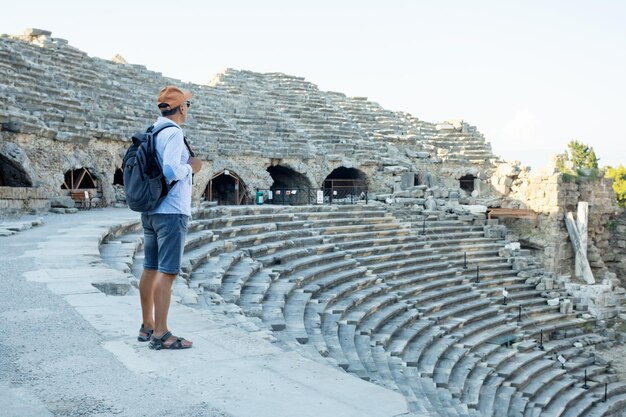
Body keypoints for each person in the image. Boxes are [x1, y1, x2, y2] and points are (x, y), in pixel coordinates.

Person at [137, 85, 202, 350]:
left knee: (150, 268)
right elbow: (170, 169)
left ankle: (147, 325)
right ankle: (161, 333)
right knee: (167, 272)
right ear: (182, 107)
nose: (188, 109)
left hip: (151, 210)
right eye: (188, 104)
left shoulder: (153, 130)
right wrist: (191, 167)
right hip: (172, 211)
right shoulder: (174, 133)